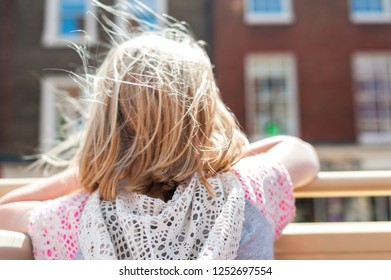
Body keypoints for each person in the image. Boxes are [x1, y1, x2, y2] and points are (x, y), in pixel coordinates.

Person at [0, 24, 319, 260]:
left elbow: (5, 210)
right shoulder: (246, 189)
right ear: (206, 116)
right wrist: (216, 159)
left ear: (105, 132)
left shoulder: (72, 218)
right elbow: (300, 153)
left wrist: (88, 173)